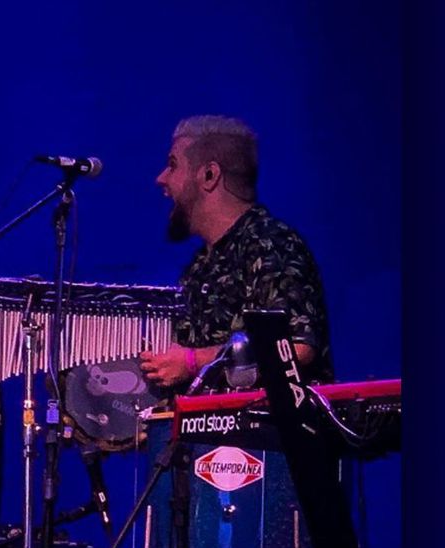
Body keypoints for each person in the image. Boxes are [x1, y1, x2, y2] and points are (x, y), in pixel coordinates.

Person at [140, 115, 333, 391]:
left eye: (173, 165)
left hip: (268, 419)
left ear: (209, 175)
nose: (161, 178)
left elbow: (297, 347)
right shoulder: (199, 267)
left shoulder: (271, 244)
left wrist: (193, 361)